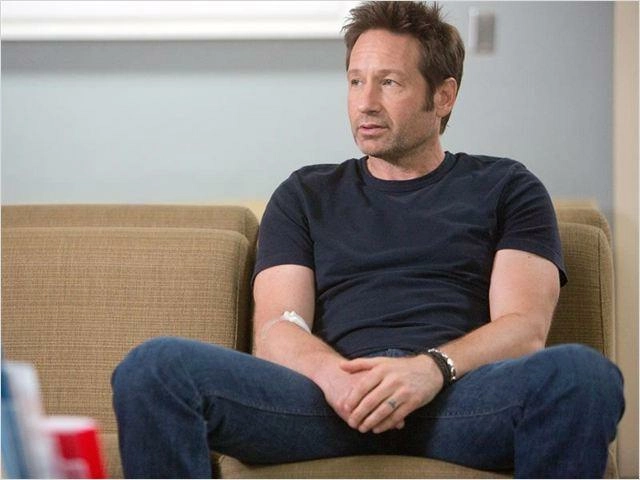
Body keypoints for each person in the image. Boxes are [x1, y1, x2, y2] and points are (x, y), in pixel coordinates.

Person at [111, 2, 624, 478]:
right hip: (326, 403)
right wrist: (337, 378)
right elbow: (277, 328)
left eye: (389, 82)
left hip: (456, 401)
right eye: (356, 81)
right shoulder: (305, 193)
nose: (366, 103)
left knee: (582, 374)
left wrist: (429, 370)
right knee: (156, 368)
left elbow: (524, 328)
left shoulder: (507, 187)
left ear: (443, 96)